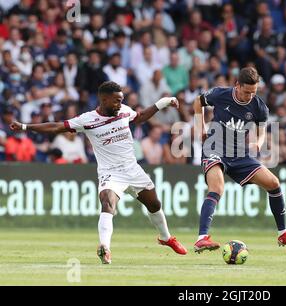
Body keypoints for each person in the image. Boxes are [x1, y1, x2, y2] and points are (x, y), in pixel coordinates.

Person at [9, 81, 187, 264]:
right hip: (110, 173)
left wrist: (163, 102)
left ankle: (166, 238)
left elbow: (140, 116)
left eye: (121, 100)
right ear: (104, 99)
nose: (119, 104)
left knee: (154, 204)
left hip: (132, 169)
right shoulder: (87, 120)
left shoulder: (124, 110)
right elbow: (56, 126)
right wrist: (25, 127)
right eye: (116, 101)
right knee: (108, 203)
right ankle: (105, 248)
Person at [192, 67, 286, 253]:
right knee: (217, 188)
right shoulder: (220, 94)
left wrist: (258, 144)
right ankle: (202, 238)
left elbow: (261, 131)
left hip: (239, 153)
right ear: (237, 85)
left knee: (273, 183)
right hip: (214, 148)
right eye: (246, 92)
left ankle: (283, 234)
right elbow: (198, 102)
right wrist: (200, 128)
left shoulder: (259, 107)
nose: (250, 96)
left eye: (254, 92)